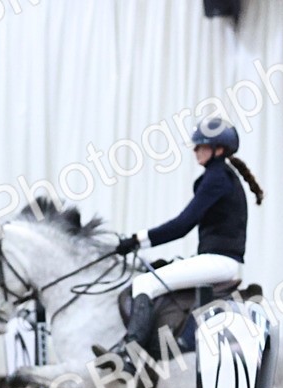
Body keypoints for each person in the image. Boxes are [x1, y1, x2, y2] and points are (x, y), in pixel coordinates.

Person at [94, 117, 265, 373]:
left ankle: (129, 356)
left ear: (219, 150)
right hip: (219, 260)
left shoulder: (217, 178)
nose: (196, 151)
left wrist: (137, 240)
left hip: (218, 261)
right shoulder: (221, 176)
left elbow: (182, 225)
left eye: (201, 146)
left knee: (144, 283)